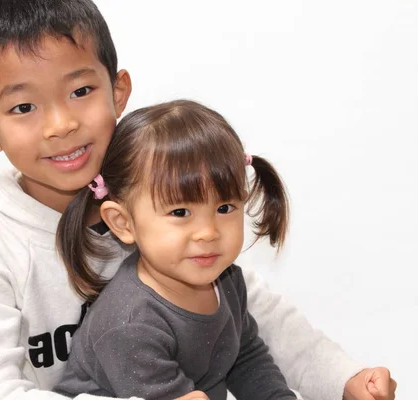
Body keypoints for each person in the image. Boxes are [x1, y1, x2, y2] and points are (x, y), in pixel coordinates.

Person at [0, 0, 397, 399]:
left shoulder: (156, 191)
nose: (61, 124)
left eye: (80, 91)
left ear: (117, 91)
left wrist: (342, 378)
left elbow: (253, 319)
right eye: (24, 107)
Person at [53, 99, 296, 400]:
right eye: (180, 212)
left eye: (224, 207)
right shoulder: (130, 323)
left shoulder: (228, 281)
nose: (208, 232)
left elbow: (245, 357)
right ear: (123, 223)